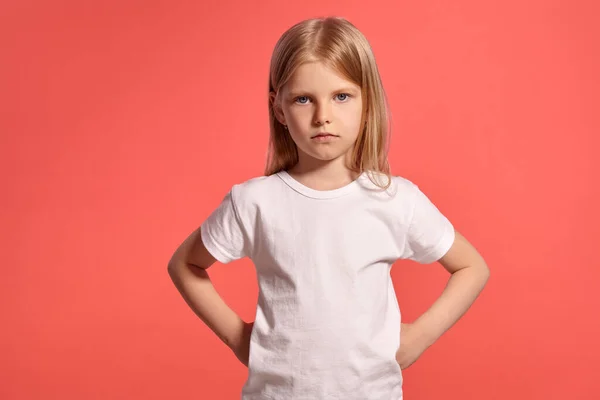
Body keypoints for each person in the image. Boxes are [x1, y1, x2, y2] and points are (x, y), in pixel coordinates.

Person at [168, 16, 490, 400]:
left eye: (341, 96)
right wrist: (240, 339)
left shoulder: (395, 199)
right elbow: (185, 265)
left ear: (366, 102)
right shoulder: (254, 202)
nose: (323, 115)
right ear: (279, 109)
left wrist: (418, 338)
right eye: (304, 99)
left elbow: (472, 267)